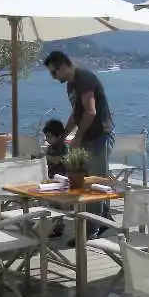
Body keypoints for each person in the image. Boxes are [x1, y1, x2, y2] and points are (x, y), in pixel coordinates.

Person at [44, 51, 114, 241]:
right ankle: (105, 222)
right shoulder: (71, 85)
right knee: (90, 181)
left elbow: (90, 112)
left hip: (99, 136)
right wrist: (64, 136)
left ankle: (89, 232)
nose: (53, 77)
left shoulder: (84, 78)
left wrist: (78, 136)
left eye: (53, 72)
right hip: (88, 138)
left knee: (93, 183)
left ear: (63, 66)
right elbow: (77, 113)